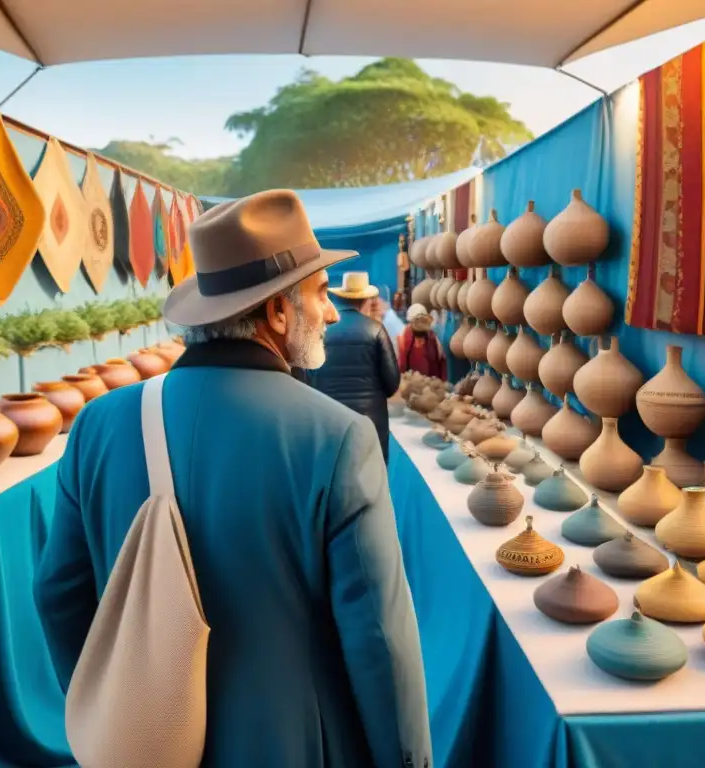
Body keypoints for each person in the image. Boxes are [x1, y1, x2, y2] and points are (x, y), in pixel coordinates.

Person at [34, 190, 432, 768]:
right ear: (275, 312)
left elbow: (57, 595)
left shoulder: (99, 423)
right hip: (294, 744)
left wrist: (115, 709)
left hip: (146, 747)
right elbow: (379, 640)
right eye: (320, 295)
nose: (328, 313)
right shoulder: (337, 437)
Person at [306, 272, 401, 463]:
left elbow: (310, 379)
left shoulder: (322, 331)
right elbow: (392, 383)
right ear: (365, 300)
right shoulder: (376, 330)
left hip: (330, 422)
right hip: (370, 425)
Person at [397, 304, 447, 380]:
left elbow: (441, 361)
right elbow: (401, 366)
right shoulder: (403, 338)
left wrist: (442, 383)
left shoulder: (433, 339)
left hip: (431, 385)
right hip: (411, 385)